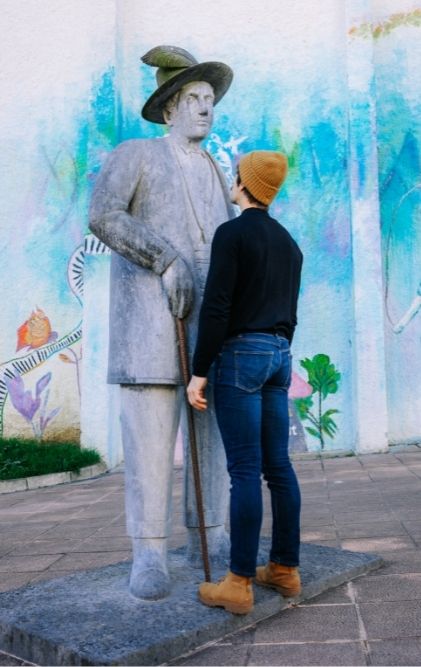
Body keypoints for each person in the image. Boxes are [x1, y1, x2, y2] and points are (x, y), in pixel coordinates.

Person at [89, 45, 235, 600]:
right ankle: (148, 551)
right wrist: (164, 259)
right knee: (150, 443)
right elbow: (104, 214)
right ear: (170, 107)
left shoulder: (215, 168)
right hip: (149, 325)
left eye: (210, 98)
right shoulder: (138, 154)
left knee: (212, 438)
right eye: (194, 97)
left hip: (209, 330)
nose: (206, 107)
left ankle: (213, 536)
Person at [187, 150, 303, 614]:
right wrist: (276, 348)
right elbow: (290, 312)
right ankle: (285, 569)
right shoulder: (289, 243)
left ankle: (237, 583)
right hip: (279, 355)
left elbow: (216, 307)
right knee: (279, 468)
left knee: (244, 471)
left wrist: (199, 372)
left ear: (244, 184)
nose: (232, 182)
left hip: (241, 356)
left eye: (236, 176)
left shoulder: (232, 233)